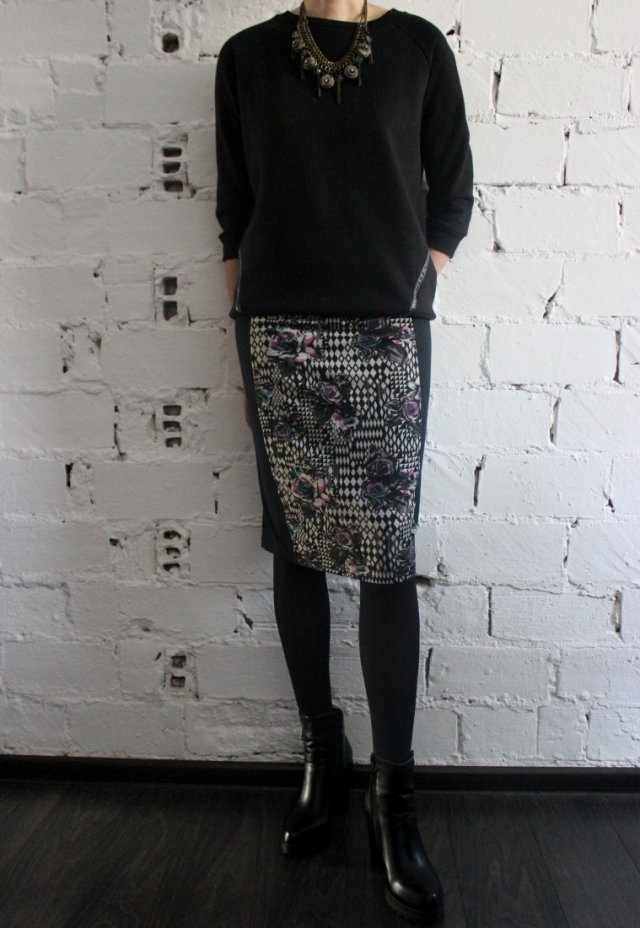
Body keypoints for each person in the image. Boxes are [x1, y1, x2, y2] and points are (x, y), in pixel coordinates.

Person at [215, 1, 473, 922]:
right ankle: (322, 757)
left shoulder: (418, 49)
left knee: (385, 557)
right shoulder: (245, 59)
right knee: (296, 548)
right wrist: (245, 332)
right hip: (276, 334)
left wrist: (411, 281)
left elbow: (453, 192)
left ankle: (392, 795)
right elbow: (234, 211)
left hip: (388, 334)